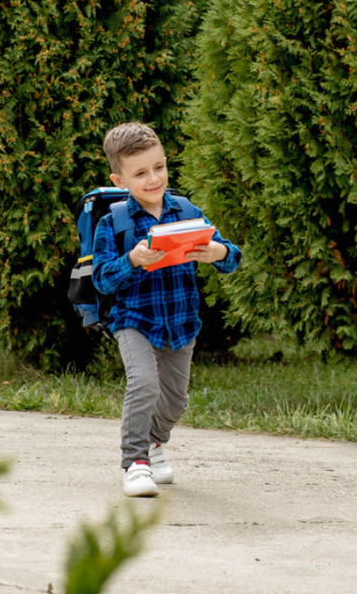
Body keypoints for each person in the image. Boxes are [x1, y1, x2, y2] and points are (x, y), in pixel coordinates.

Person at [92, 121, 242, 497]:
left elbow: (231, 256)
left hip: (181, 321)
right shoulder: (114, 223)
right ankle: (135, 463)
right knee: (143, 384)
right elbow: (102, 280)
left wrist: (218, 252)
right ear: (120, 179)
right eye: (140, 173)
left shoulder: (186, 211)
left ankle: (155, 442)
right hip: (134, 320)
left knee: (176, 400)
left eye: (158, 167)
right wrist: (133, 259)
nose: (153, 178)